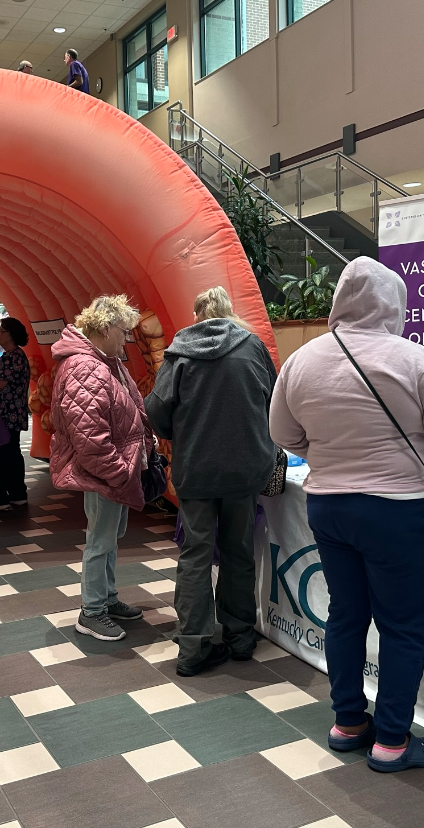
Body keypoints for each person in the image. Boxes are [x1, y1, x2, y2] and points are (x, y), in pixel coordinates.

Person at [269, 257, 424, 773]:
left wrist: (329, 448)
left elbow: (282, 435)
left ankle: (348, 724)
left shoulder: (302, 361)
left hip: (328, 507)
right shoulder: (414, 359)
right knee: (405, 625)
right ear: (395, 304)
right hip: (397, 512)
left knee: (345, 614)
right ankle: (392, 740)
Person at [146, 287, 277, 677]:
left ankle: (193, 647)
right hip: (245, 469)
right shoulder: (253, 347)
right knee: (239, 552)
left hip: (196, 471)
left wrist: (183, 433)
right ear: (229, 312)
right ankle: (240, 637)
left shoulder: (180, 352)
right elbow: (273, 399)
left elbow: (156, 411)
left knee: (195, 556)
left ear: (197, 315)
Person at [50, 295, 155, 641]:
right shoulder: (86, 366)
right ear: (106, 328)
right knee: (100, 541)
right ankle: (91, 611)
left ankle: (106, 599)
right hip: (106, 473)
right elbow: (90, 438)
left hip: (114, 471)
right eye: (123, 332)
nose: (126, 339)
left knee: (109, 538)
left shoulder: (103, 361)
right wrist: (119, 471)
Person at [0, 317, 31, 510]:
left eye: (2, 331)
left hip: (6, 415)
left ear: (11, 335)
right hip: (13, 413)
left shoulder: (13, 357)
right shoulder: (16, 356)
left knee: (0, 455)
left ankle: (1, 496)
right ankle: (17, 493)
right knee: (12, 453)